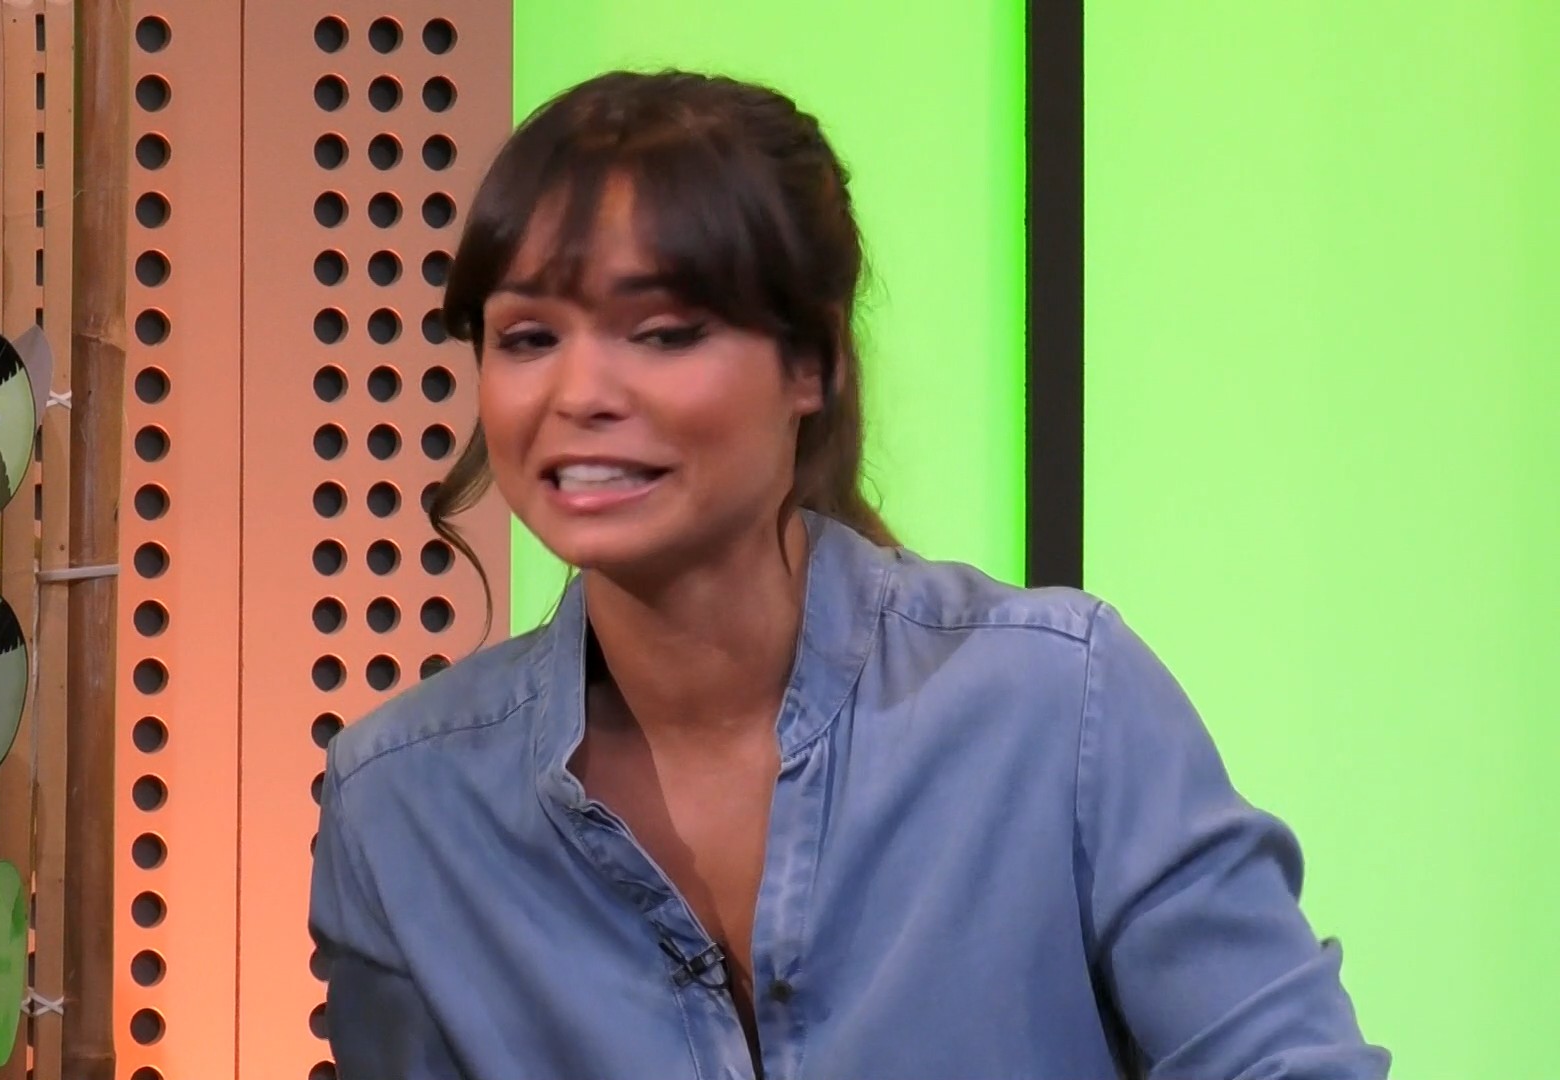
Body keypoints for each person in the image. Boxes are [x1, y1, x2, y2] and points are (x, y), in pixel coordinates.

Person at [307, 69, 1388, 1080]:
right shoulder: (401, 808)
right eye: (528, 337)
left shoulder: (1060, 704)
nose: (580, 393)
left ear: (812, 365)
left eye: (664, 332)